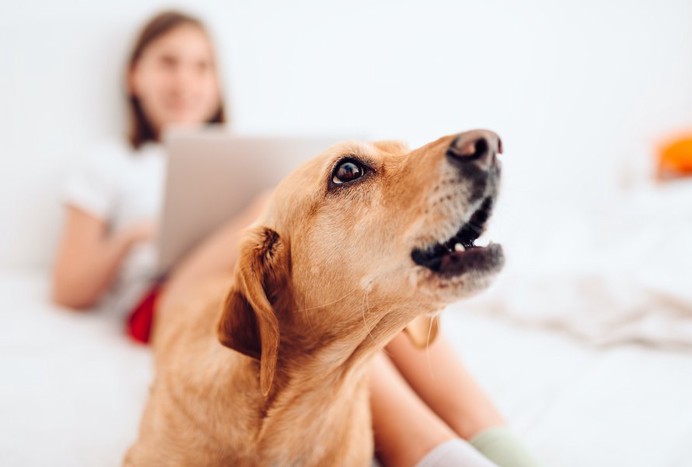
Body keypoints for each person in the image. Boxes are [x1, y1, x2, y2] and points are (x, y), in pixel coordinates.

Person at [52, 10, 538, 467]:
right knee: (319, 305)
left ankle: (500, 443)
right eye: (169, 63)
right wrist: (139, 235)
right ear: (135, 76)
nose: (185, 80)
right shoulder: (109, 163)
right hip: (169, 290)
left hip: (277, 269)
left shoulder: (241, 152)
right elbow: (69, 286)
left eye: (201, 66)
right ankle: (437, 452)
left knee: (372, 301)